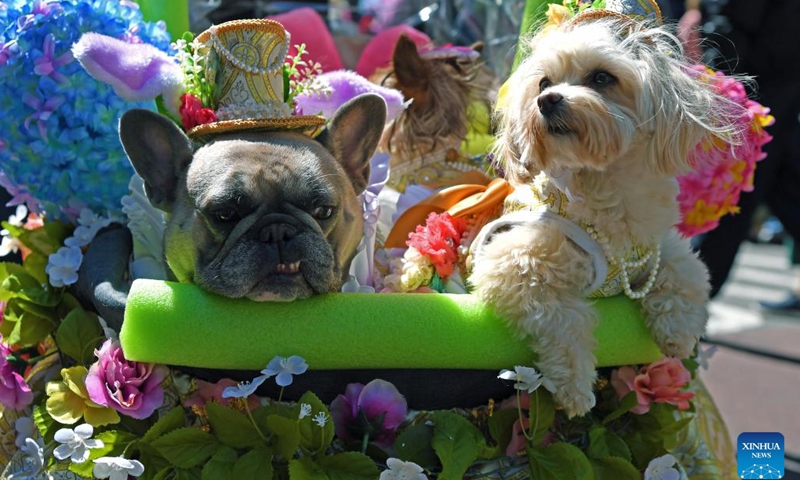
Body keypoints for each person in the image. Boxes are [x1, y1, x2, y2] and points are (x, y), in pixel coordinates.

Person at [689, 0, 800, 300]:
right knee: (782, 187)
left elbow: (730, 22)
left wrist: (716, 86)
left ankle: (689, 303)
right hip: (777, 80)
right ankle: (689, 301)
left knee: (729, 202)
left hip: (751, 88)